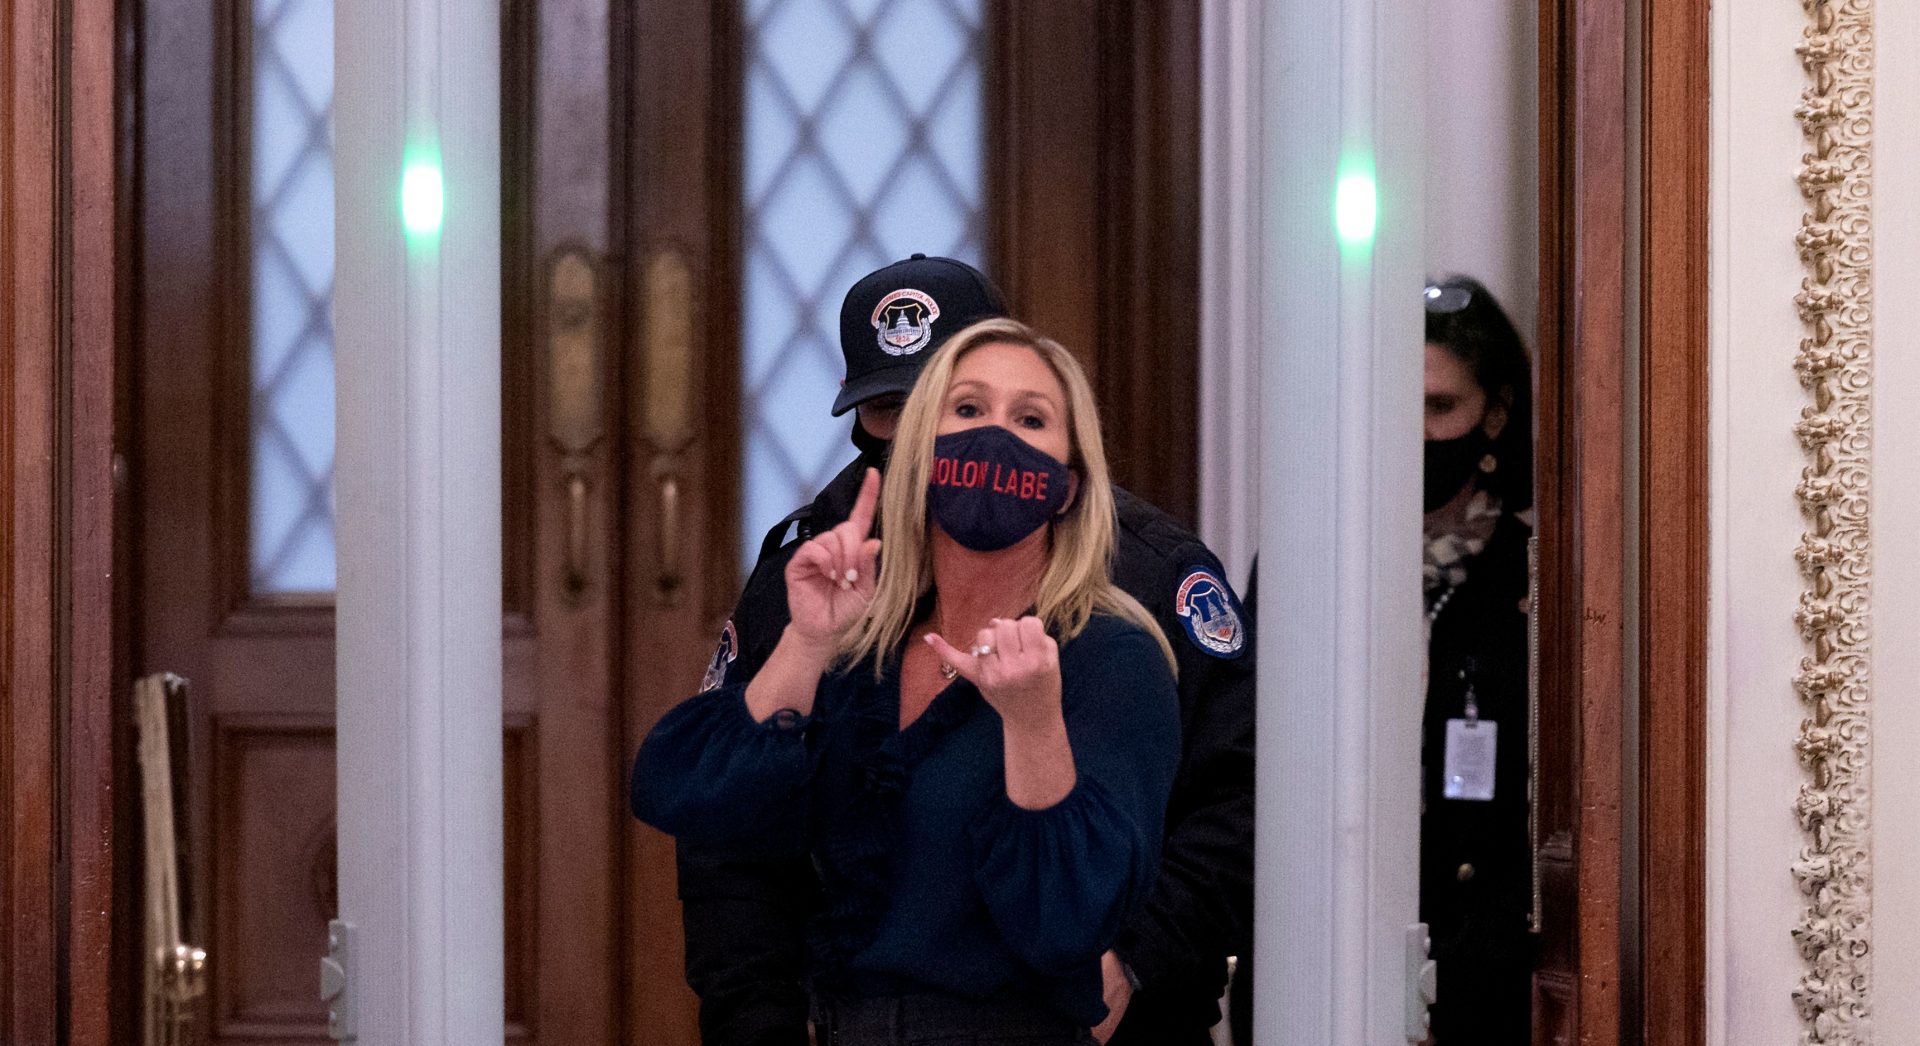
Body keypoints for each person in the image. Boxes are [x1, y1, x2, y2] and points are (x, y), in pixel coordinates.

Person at [672, 255, 1254, 1046]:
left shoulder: (1144, 574)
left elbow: (1237, 798)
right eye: (893, 412)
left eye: (998, 411)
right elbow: (724, 831)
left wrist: (1137, 958)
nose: (957, 445)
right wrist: (760, 1018)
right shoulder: (810, 577)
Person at [1418, 275, 1536, 1043]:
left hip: (1481, 949)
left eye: (1440, 407)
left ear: (1493, 413)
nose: (1418, 430)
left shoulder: (1532, 573)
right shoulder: (1310, 560)